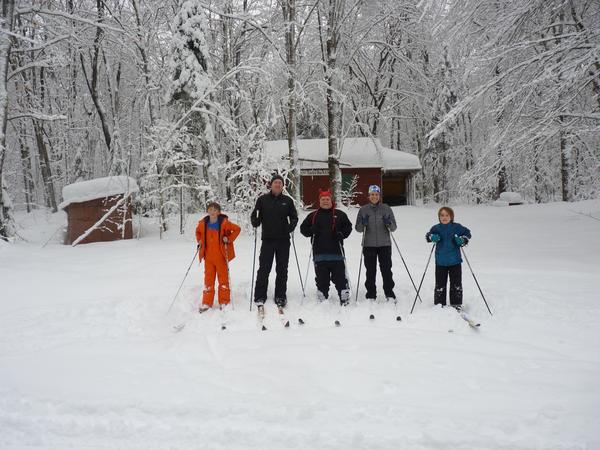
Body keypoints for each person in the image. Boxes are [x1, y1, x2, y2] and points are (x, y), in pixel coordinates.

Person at [250, 174, 298, 310]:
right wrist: (255, 221)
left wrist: (290, 226)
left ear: (283, 186)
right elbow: (255, 215)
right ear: (271, 185)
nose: (277, 185)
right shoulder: (262, 200)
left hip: (283, 241)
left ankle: (280, 296)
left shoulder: (287, 201)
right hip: (268, 240)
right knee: (264, 269)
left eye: (280, 183)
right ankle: (260, 295)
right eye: (275, 182)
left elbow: (294, 217)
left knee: (282, 269)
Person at [300, 189, 352, 305]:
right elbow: (303, 229)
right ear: (319, 201)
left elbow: (348, 227)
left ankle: (344, 295)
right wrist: (310, 230)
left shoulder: (340, 214)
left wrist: (342, 234)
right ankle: (322, 295)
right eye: (323, 199)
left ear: (331, 200)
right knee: (322, 279)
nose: (325, 201)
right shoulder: (313, 216)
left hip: (337, 254)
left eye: (327, 199)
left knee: (340, 278)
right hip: (319, 254)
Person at [195, 202, 241, 312]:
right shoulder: (203, 223)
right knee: (208, 280)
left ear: (219, 212)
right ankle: (206, 303)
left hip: (221, 257)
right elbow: (198, 232)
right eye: (210, 209)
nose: (212, 212)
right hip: (208, 257)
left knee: (223, 280)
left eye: (215, 210)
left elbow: (237, 229)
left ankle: (224, 301)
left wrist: (228, 239)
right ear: (208, 211)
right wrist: (199, 240)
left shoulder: (224, 222)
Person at [354, 185, 397, 301]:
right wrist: (363, 223)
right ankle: (371, 294)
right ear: (369, 196)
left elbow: (393, 228)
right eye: (372, 194)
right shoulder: (363, 209)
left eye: (376, 194)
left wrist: (388, 223)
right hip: (369, 245)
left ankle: (389, 293)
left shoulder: (386, 208)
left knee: (386, 270)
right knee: (370, 271)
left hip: (385, 244)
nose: (374, 197)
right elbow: (358, 229)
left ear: (379, 196)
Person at [425, 206, 471, 309]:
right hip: (440, 261)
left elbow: (467, 233)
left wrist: (462, 240)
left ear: (451, 216)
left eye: (447, 215)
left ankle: (456, 304)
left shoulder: (457, 227)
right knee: (440, 284)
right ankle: (439, 304)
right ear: (439, 217)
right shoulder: (436, 228)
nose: (444, 217)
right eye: (442, 215)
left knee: (456, 284)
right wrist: (432, 237)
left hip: (455, 261)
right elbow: (428, 235)